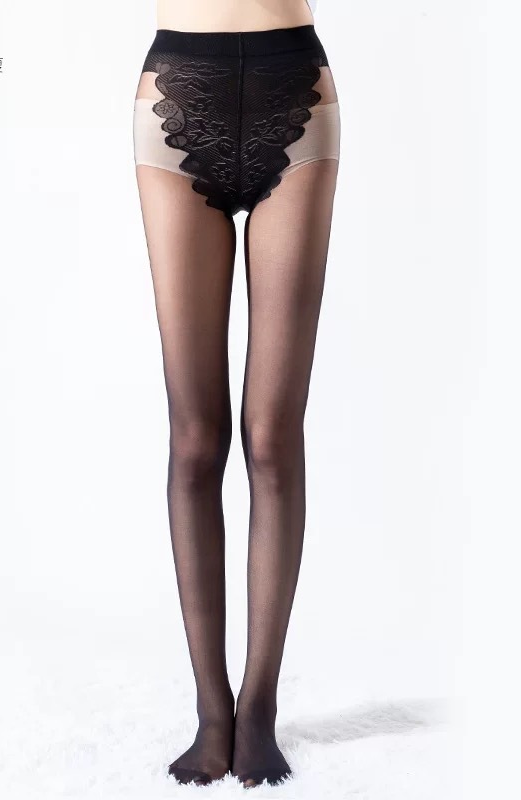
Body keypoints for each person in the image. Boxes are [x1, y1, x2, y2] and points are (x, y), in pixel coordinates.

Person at [133, 0, 340, 788]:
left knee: (272, 436)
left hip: (297, 89)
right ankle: (211, 711)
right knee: (195, 439)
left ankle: (257, 708)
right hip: (177, 89)